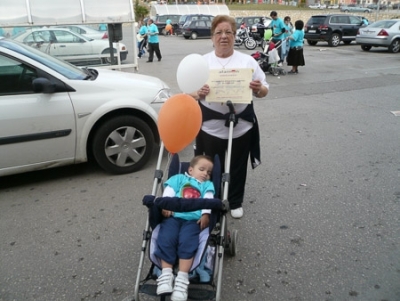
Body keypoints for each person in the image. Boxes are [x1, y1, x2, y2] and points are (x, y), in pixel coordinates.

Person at [192, 15, 269, 219]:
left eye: (228, 32)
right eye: (219, 32)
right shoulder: (202, 62)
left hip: (240, 126)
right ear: (212, 37)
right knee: (210, 166)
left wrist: (258, 88)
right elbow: (188, 93)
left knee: (237, 166)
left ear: (235, 36)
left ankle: (235, 201)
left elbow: (264, 90)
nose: (223, 36)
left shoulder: (247, 61)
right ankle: (213, 200)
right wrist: (197, 92)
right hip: (210, 128)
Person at [155, 155, 215, 301]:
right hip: (173, 217)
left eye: (208, 172)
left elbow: (208, 199)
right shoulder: (179, 179)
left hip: (193, 221)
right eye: (202, 169)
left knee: (188, 243)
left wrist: (206, 214)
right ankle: (167, 274)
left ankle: (182, 279)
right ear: (190, 169)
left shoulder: (207, 185)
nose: (205, 174)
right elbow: (168, 191)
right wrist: (166, 204)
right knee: (166, 239)